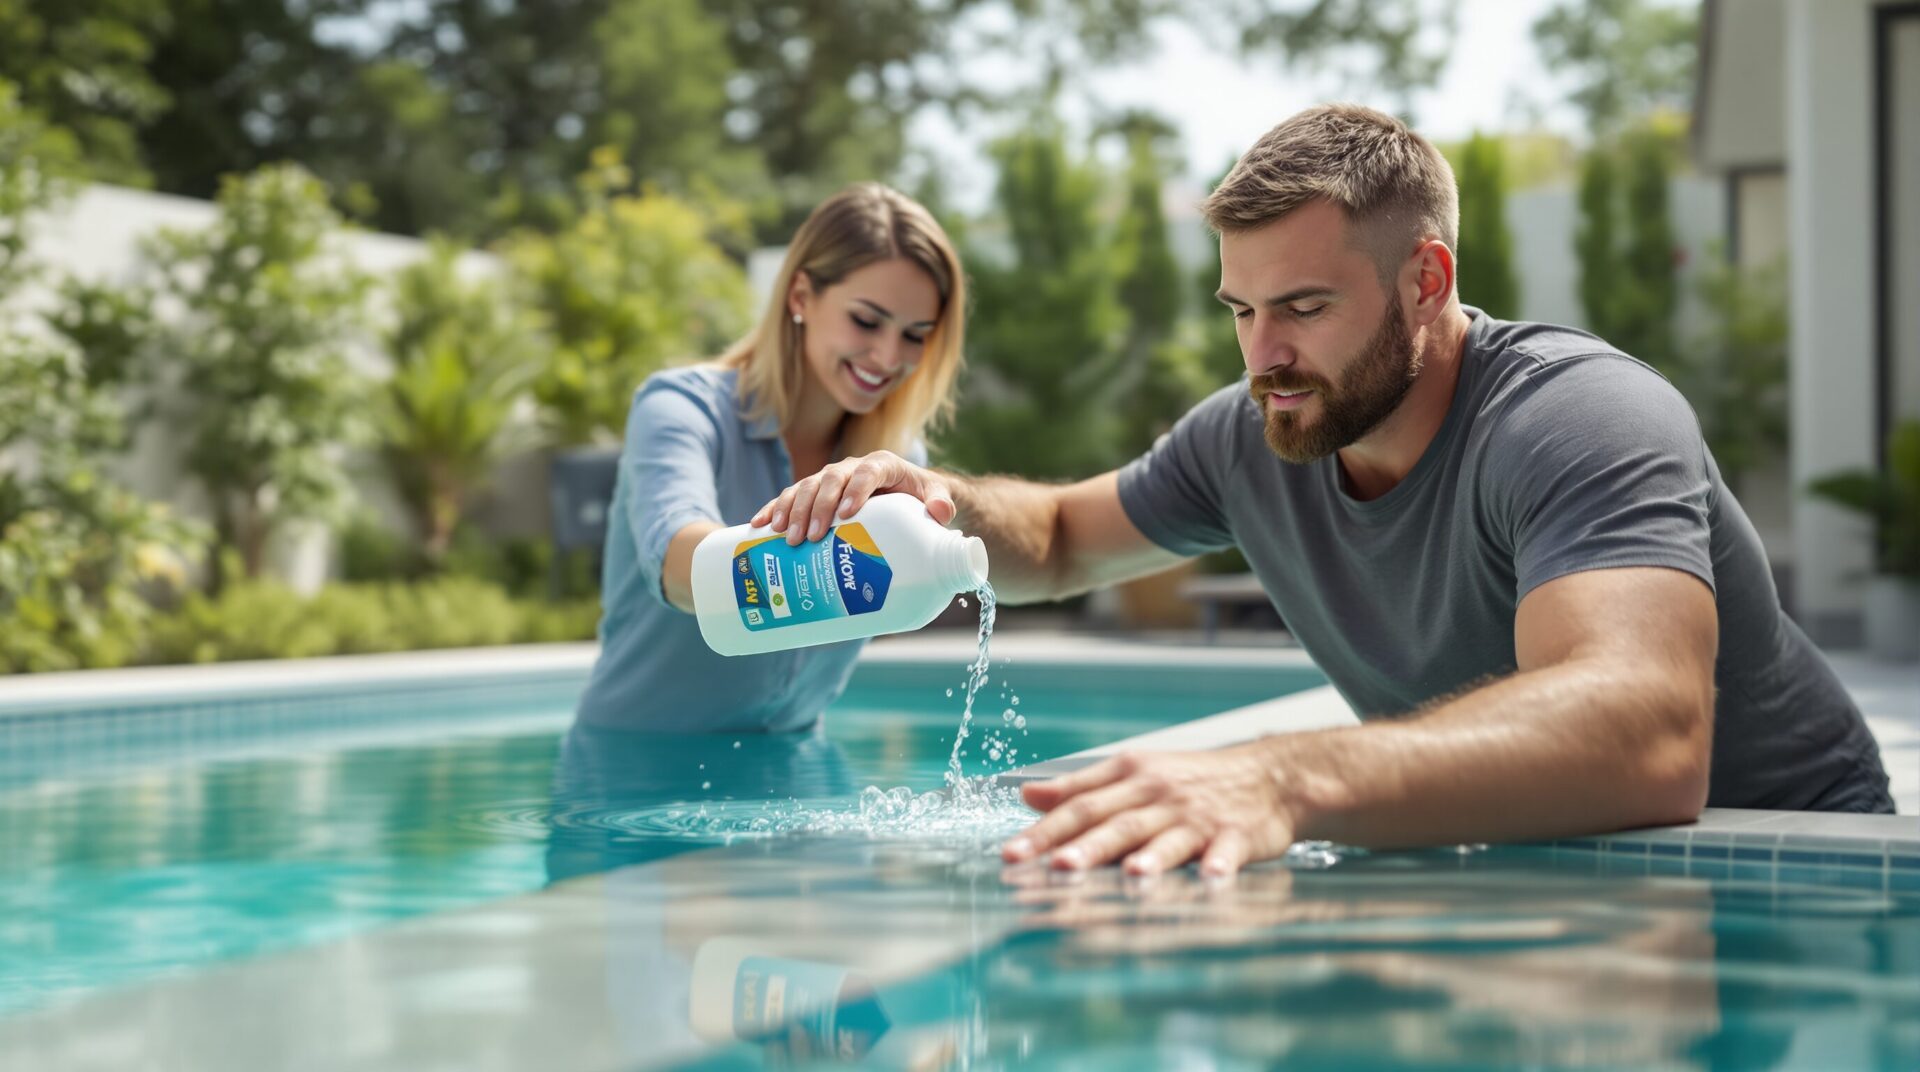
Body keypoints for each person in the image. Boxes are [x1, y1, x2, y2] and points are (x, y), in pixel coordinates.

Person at [751, 105, 1894, 876]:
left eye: (1301, 307)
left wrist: (1284, 775)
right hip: (1542, 868)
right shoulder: (1258, 430)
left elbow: (1645, 734)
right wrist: (932, 494)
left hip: (1796, 877)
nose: (1263, 355)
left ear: (1425, 282)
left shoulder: (1578, 418)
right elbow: (1055, 540)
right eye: (1240, 312)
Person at [574, 183, 968, 732]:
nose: (888, 356)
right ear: (801, 296)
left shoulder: (897, 462)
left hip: (796, 764)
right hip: (636, 770)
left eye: (915, 335)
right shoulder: (680, 409)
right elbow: (678, 567)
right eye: (866, 321)